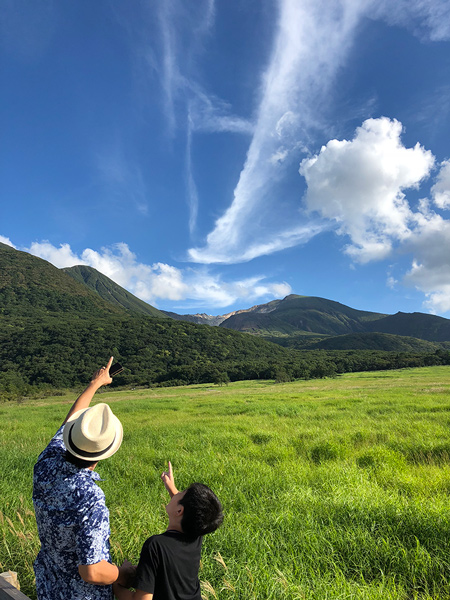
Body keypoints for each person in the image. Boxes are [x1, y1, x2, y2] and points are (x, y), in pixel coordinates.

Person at [33, 357, 133, 600]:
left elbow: (72, 418)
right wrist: (123, 574)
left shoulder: (46, 463)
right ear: (107, 451)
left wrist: (96, 383)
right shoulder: (89, 497)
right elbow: (92, 571)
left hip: (48, 586)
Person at [113, 461, 223, 600]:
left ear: (179, 510)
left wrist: (115, 584)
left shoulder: (155, 546)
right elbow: (188, 510)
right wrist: (172, 489)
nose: (177, 492)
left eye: (181, 493)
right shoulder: (196, 533)